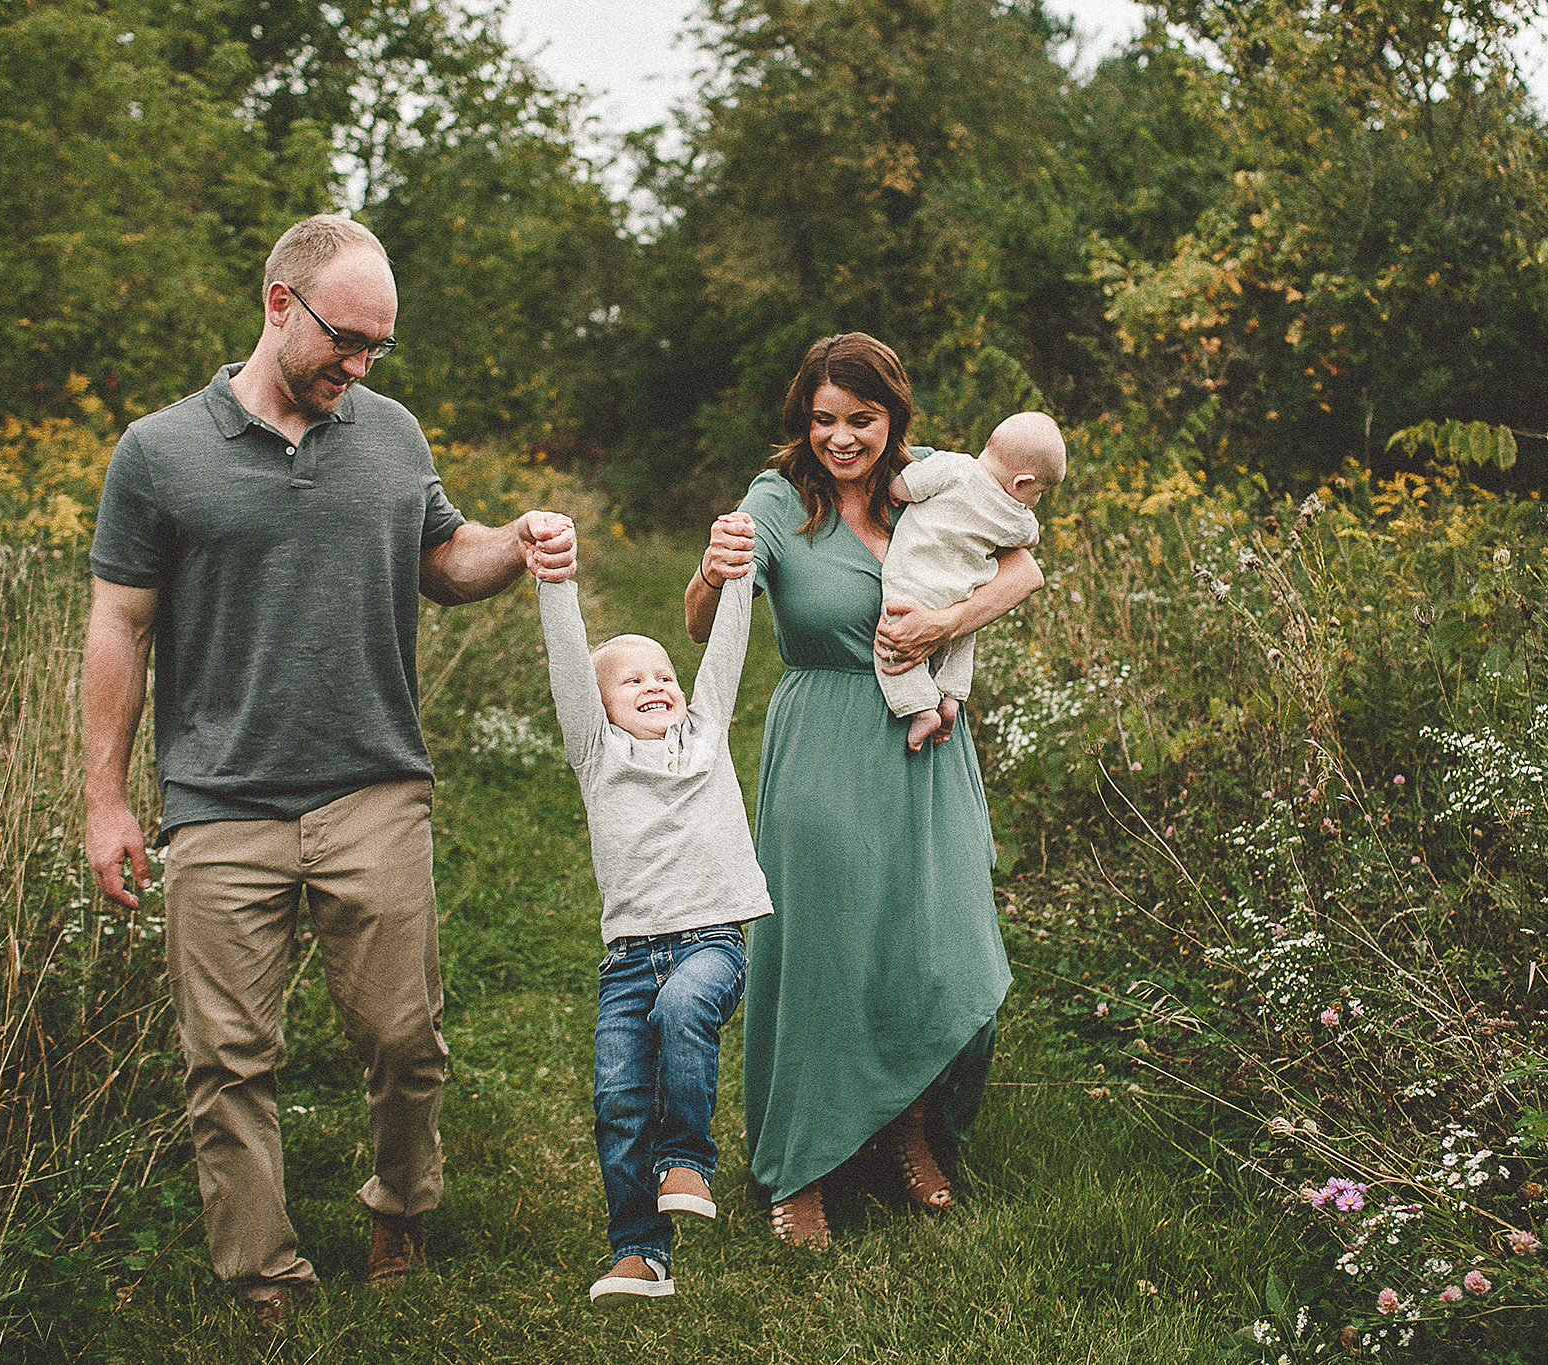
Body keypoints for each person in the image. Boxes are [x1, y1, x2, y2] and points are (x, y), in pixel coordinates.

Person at [81, 213, 577, 1322]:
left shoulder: (391, 433)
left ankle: (399, 1202)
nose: (355, 368)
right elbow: (119, 622)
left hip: (372, 783)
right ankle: (264, 1275)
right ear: (276, 304)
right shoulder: (157, 453)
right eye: (342, 341)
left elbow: (443, 561)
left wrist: (518, 540)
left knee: (405, 1037)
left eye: (375, 350)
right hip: (219, 804)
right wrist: (107, 798)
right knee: (228, 1062)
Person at [684, 332, 1043, 1247]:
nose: (843, 439)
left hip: (930, 752)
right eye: (824, 420)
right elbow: (702, 621)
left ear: (894, 417)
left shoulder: (934, 479)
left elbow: (1025, 566)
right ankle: (799, 1165)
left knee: (932, 947)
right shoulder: (776, 500)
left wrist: (945, 622)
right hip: (827, 743)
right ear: (804, 422)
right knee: (825, 956)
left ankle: (907, 1131)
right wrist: (711, 568)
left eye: (862, 420)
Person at [531, 520, 772, 1307]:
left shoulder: (705, 735)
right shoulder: (598, 755)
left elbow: (726, 649)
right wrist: (555, 581)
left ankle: (688, 1160)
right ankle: (641, 1251)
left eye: (663, 671)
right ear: (598, 709)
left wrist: (738, 569)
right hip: (629, 957)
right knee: (617, 1097)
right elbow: (569, 660)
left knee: (684, 1007)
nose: (657, 683)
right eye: (631, 679)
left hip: (711, 940)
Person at [881, 411, 1066, 752]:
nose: (1035, 500)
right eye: (1038, 492)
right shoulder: (1016, 517)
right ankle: (950, 698)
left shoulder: (951, 467)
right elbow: (1031, 538)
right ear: (1021, 483)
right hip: (962, 592)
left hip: (914, 583)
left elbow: (908, 486)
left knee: (893, 644)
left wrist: (895, 491)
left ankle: (921, 708)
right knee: (962, 636)